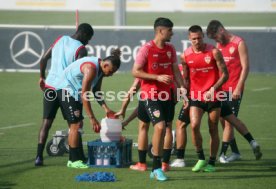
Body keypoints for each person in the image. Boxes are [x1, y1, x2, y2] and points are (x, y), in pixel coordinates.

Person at [131, 17, 188, 181]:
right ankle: (156, 168)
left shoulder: (170, 48)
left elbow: (175, 71)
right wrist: (157, 77)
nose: (172, 33)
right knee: (160, 127)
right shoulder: (146, 49)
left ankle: (159, 165)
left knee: (165, 128)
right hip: (150, 94)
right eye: (170, 30)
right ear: (161, 31)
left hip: (168, 96)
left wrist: (182, 88)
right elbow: (135, 71)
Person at [35, 23, 94, 166]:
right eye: (88, 38)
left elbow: (43, 59)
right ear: (84, 34)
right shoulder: (81, 50)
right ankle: (78, 157)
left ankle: (38, 157)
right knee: (74, 124)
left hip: (50, 86)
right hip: (66, 89)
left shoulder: (60, 39)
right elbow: (78, 74)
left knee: (46, 123)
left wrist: (42, 77)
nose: (88, 42)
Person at [55, 49, 121, 168]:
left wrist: (106, 109)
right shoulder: (91, 69)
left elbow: (96, 91)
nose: (110, 75)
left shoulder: (101, 70)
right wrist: (92, 118)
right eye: (110, 71)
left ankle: (78, 157)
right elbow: (85, 95)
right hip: (66, 90)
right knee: (75, 125)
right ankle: (73, 161)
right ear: (105, 65)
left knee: (77, 124)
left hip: (74, 92)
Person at [182, 25, 229, 172]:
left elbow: (225, 75)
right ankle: (201, 158)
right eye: (193, 39)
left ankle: (212, 162)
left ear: (203, 36)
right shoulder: (185, 56)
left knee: (213, 128)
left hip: (214, 96)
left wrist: (213, 89)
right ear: (189, 39)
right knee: (194, 125)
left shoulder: (214, 52)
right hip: (196, 96)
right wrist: (184, 95)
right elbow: (186, 79)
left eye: (199, 38)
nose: (197, 41)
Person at [206, 20, 251, 162]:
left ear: (221, 30)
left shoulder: (239, 43)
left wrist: (239, 86)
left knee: (230, 121)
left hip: (234, 89)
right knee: (222, 120)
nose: (215, 40)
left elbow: (245, 67)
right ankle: (236, 152)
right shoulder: (220, 45)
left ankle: (222, 154)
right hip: (221, 89)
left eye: (215, 37)